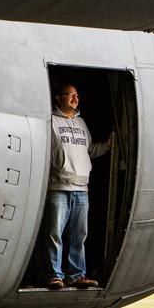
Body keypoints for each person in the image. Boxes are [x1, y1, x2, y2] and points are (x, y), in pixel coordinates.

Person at [44, 83, 111, 290]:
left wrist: (109, 145)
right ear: (58, 98)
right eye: (69, 95)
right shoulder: (51, 122)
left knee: (78, 236)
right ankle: (55, 275)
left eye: (76, 95)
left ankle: (76, 275)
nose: (75, 99)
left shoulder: (81, 123)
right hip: (58, 188)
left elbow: (89, 150)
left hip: (82, 190)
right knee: (55, 234)